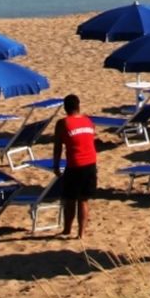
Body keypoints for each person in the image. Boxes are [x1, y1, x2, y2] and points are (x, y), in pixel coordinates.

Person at [52, 94, 99, 240]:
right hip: (91, 163)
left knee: (70, 199)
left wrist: (56, 165)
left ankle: (67, 230)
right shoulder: (88, 121)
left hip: (75, 165)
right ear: (78, 106)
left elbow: (58, 146)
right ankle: (81, 233)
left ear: (65, 108)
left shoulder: (63, 123)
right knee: (83, 200)